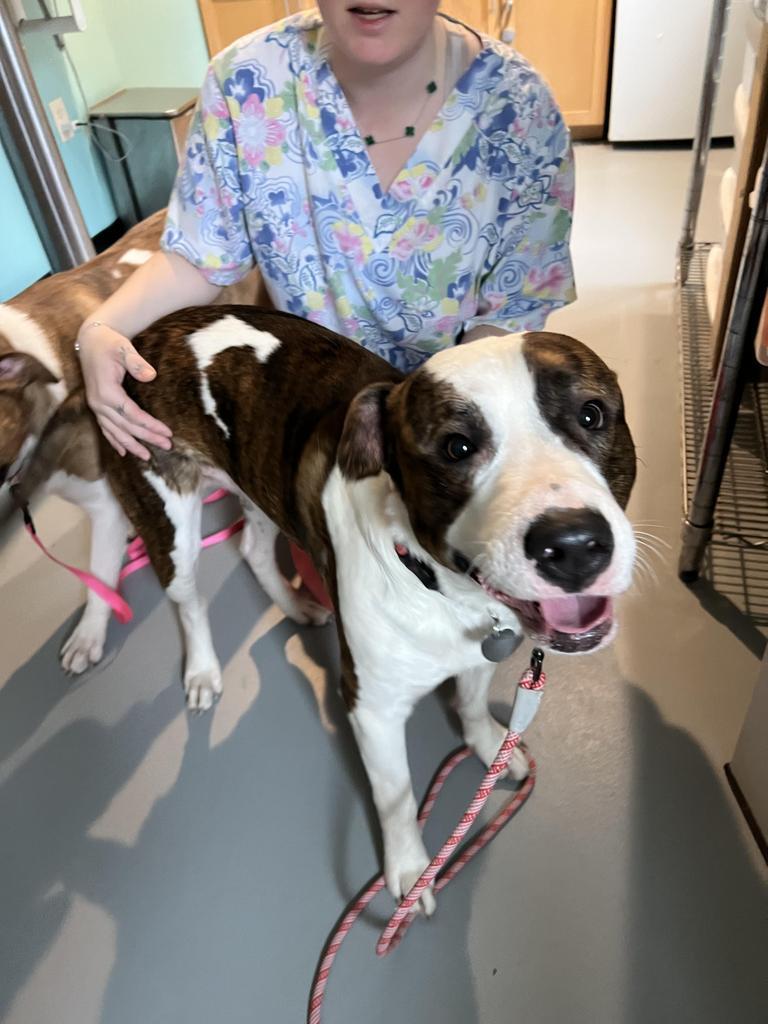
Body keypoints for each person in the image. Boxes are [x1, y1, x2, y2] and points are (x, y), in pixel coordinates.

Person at [77, 1, 575, 461]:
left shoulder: (520, 108)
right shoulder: (247, 82)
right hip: (313, 422)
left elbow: (513, 308)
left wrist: (433, 428)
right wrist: (100, 328)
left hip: (451, 439)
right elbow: (201, 252)